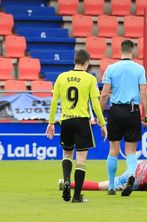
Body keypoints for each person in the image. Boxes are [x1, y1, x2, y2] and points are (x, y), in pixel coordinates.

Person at [46, 49, 108, 203]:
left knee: (67, 155)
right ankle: (77, 196)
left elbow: (54, 102)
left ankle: (66, 180)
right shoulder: (89, 79)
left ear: (75, 61)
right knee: (81, 160)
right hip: (82, 121)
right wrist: (102, 123)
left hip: (66, 120)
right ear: (86, 63)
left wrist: (51, 122)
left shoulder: (62, 77)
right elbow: (95, 103)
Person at [100, 40, 147, 196]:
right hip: (132, 110)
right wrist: (146, 114)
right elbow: (143, 92)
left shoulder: (111, 68)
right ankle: (131, 175)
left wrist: (100, 115)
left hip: (115, 110)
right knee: (131, 151)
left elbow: (104, 93)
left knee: (113, 150)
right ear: (133, 51)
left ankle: (111, 186)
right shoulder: (139, 69)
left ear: (120, 50)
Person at [60, 160, 147, 193]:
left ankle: (66, 182)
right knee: (102, 185)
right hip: (140, 177)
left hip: (142, 164)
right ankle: (67, 184)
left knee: (110, 182)